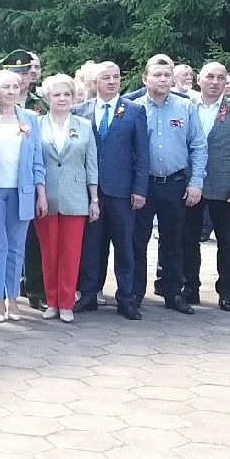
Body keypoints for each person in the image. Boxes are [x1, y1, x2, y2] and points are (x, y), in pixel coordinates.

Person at [74, 61, 150, 320]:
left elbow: (142, 154)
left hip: (122, 191)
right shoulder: (80, 111)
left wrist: (140, 189)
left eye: (115, 77)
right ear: (95, 81)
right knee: (91, 245)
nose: (111, 81)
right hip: (90, 191)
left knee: (125, 246)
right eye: (105, 77)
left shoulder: (134, 111)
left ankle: (126, 297)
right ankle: (89, 293)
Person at [133, 54, 208, 315]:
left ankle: (173, 292)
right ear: (145, 79)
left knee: (174, 241)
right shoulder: (133, 107)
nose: (163, 80)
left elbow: (198, 145)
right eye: (157, 75)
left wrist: (196, 182)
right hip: (142, 185)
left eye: (167, 75)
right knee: (137, 241)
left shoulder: (185, 107)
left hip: (175, 183)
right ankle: (134, 294)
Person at [181, 62, 230, 310]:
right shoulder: (185, 108)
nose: (214, 82)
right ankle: (189, 286)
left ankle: (227, 290)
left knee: (229, 242)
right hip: (191, 186)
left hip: (225, 187)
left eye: (220, 78)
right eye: (209, 77)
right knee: (188, 239)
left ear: (227, 82)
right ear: (198, 80)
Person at [33, 74, 99, 322]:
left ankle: (67, 303)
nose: (62, 98)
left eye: (66, 94)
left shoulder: (83, 125)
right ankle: (51, 302)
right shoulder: (36, 123)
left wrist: (94, 199)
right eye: (56, 94)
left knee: (71, 253)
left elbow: (91, 164)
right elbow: (33, 161)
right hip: (45, 196)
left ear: (73, 97)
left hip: (76, 196)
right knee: (48, 251)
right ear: (47, 98)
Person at [0, 70, 46, 321]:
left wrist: (41, 193)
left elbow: (38, 160)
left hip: (22, 192)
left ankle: (12, 297)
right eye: (6, 87)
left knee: (16, 248)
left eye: (15, 86)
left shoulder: (30, 118)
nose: (11, 92)